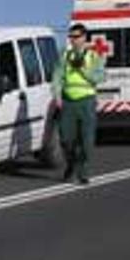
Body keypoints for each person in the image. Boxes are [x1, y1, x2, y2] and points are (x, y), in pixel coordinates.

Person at [51, 23, 105, 185]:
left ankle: (83, 172)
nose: (73, 40)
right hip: (68, 102)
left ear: (84, 38)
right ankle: (71, 164)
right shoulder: (65, 55)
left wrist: (83, 70)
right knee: (66, 139)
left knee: (87, 141)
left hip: (87, 102)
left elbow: (100, 77)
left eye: (76, 37)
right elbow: (57, 76)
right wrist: (57, 96)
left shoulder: (94, 56)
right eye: (71, 37)